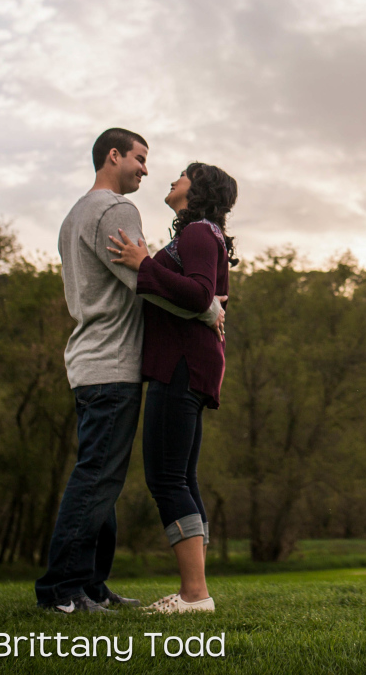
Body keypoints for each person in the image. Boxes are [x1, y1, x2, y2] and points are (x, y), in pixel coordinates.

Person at [35, 130, 222, 614]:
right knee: (96, 478)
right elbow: (145, 280)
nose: (145, 168)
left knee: (103, 478)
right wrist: (209, 311)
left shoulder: (75, 213)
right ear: (112, 156)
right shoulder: (117, 211)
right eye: (139, 158)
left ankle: (93, 585)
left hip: (89, 357)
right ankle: (65, 592)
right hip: (112, 360)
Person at [108, 161, 237, 614]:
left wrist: (145, 265)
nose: (172, 180)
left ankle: (195, 594)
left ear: (198, 190)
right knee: (181, 476)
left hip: (180, 364)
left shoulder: (199, 233)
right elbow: (208, 298)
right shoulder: (203, 234)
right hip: (191, 362)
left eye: (183, 176)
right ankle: (195, 592)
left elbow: (200, 295)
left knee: (166, 478)